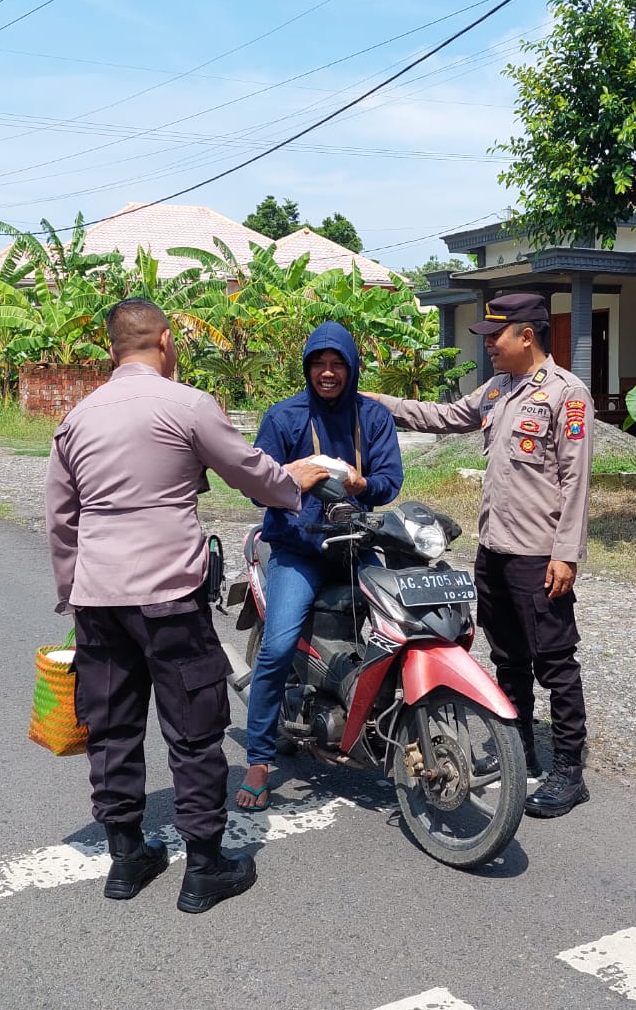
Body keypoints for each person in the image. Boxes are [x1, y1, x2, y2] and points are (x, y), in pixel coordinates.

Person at [45, 298, 329, 914]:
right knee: (194, 729)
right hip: (169, 594)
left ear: (112, 350)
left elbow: (61, 520)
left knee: (112, 725)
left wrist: (72, 594)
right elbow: (249, 472)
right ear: (167, 342)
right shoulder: (187, 404)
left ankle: (126, 856)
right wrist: (294, 482)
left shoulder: (78, 418)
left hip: (97, 599)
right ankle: (204, 866)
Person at [368, 293, 594, 818]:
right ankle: (521, 752)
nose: (488, 345)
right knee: (508, 659)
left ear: (527, 336)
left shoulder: (567, 395)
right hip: (494, 551)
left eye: (496, 336)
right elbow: (444, 416)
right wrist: (376, 402)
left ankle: (569, 770)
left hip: (540, 555)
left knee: (556, 663)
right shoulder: (498, 390)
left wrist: (567, 554)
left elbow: (575, 480)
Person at [237, 321, 404, 811]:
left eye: (337, 364)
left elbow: (391, 479)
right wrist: (295, 476)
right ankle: (260, 760)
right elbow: (254, 483)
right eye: (319, 364)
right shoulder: (284, 417)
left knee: (401, 629)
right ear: (307, 367)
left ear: (352, 368)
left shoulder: (372, 416)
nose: (327, 373)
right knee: (278, 645)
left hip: (356, 545)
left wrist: (360, 485)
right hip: (298, 549)